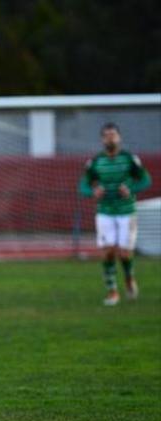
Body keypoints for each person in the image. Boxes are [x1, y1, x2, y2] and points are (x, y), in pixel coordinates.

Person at [79, 122, 152, 306]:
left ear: (119, 137)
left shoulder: (129, 159)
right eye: (107, 135)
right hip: (105, 212)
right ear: (102, 139)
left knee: (125, 253)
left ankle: (128, 277)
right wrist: (92, 192)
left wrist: (131, 188)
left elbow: (145, 180)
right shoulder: (95, 162)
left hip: (126, 211)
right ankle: (112, 291)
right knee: (108, 251)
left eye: (113, 135)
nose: (110, 138)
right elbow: (83, 185)